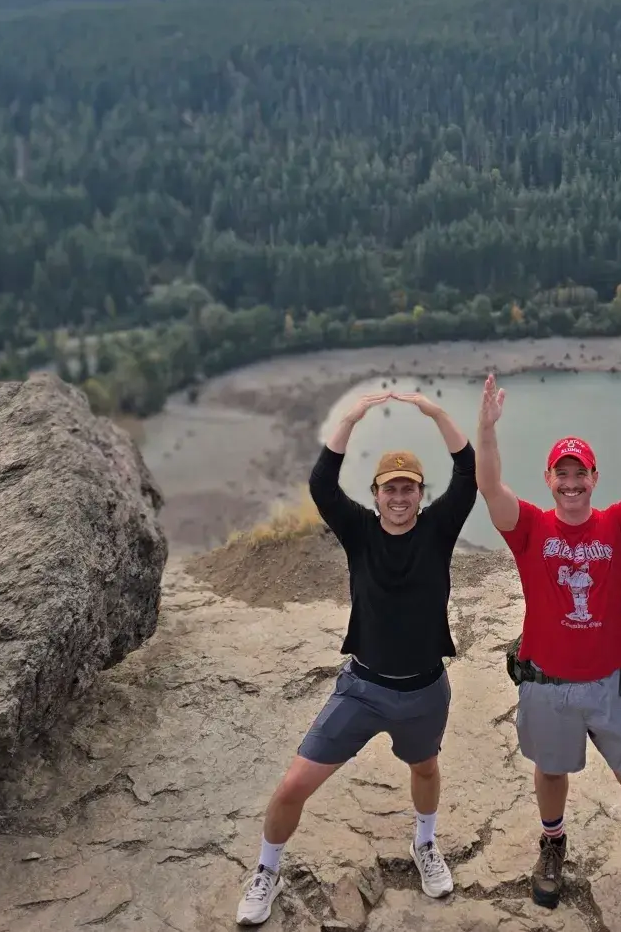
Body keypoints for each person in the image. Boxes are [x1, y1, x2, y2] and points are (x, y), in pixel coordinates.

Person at [235, 390, 475, 927]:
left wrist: (436, 413)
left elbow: (468, 471)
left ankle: (425, 843)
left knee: (425, 768)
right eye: (390, 488)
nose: (399, 497)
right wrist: (350, 417)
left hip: (425, 689)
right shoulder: (360, 531)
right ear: (376, 494)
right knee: (293, 785)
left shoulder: (438, 530)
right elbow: (322, 483)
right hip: (362, 690)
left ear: (420, 494)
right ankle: (266, 871)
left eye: (408, 488)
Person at [474, 372, 621, 909]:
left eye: (580, 474)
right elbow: (490, 488)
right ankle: (552, 844)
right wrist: (487, 429)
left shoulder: (617, 526)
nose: (571, 484)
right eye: (562, 474)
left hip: (610, 683)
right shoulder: (530, 528)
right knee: (550, 771)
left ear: (594, 478)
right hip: (547, 684)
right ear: (548, 478)